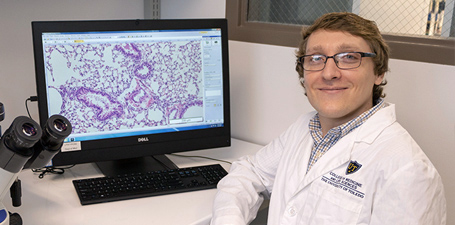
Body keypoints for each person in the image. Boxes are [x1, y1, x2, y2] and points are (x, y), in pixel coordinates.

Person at [210, 12, 446, 224]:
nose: (329, 73)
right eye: (315, 58)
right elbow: (249, 173)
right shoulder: (304, 128)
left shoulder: (407, 170)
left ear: (379, 72)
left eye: (349, 57)